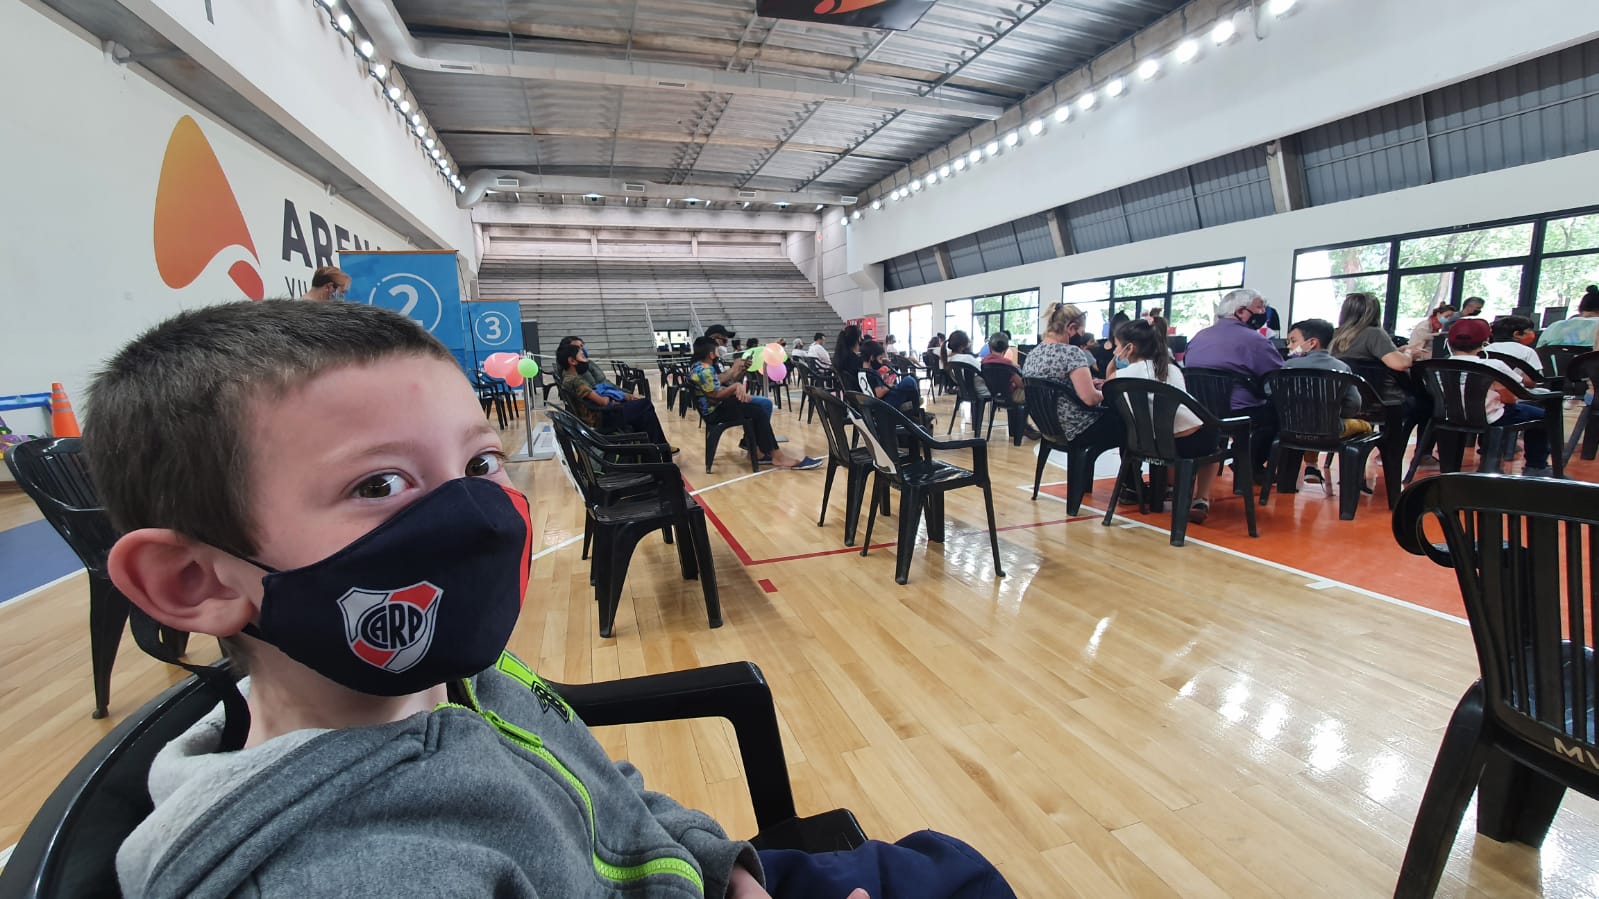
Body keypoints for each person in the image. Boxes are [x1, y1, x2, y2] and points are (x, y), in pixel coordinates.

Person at [89, 300, 1006, 898]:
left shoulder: (461, 672)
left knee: (953, 867)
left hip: (686, 875)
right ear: (195, 582)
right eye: (379, 484)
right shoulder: (351, 875)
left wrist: (722, 866)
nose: (474, 514)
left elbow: (610, 797)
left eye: (479, 463)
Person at [1105, 315, 1218, 522]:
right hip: (1186, 443)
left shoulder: (1120, 378)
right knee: (1212, 441)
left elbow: (1107, 386)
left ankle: (1171, 488)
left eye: (1117, 346)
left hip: (1142, 444)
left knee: (1169, 439)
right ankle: (1201, 499)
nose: (1115, 351)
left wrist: (1111, 366)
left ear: (1129, 348)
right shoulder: (1171, 369)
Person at [1181, 288, 1284, 474]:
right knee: (1279, 413)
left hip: (1200, 410)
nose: (1264, 313)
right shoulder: (1255, 340)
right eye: (1260, 308)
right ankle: (1251, 465)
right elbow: (1278, 375)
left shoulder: (1199, 337)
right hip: (1239, 412)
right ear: (1241, 311)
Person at [1329, 292, 1434, 465]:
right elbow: (1400, 364)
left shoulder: (1334, 335)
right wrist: (1409, 353)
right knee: (1427, 405)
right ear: (1374, 312)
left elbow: (1363, 359)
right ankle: (1409, 454)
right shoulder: (1374, 334)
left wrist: (1398, 351)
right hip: (1379, 403)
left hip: (1345, 401)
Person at [688, 336, 819, 470]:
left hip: (717, 407)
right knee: (758, 412)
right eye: (716, 350)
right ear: (711, 354)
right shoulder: (705, 370)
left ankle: (759, 450)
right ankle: (776, 456)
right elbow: (714, 397)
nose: (718, 352)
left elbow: (716, 384)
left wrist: (737, 376)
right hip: (715, 411)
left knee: (757, 409)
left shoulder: (698, 367)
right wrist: (735, 386)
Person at [1447, 317, 1552, 477]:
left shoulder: (1437, 365)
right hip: (1491, 417)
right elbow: (1511, 398)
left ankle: (1484, 457)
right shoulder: (1494, 365)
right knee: (1541, 415)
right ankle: (1536, 466)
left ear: (1449, 342)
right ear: (1484, 341)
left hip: (1450, 417)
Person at [1282, 318, 1373, 487]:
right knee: (1366, 426)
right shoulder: (1341, 368)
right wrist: (1338, 413)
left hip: (1290, 428)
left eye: (1293, 341)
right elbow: (1354, 404)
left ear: (1312, 343)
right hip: (1331, 428)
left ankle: (1311, 466)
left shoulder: (1288, 366)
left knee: (1312, 421)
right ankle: (1355, 480)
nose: (1289, 346)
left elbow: (1270, 392)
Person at [1022, 303, 1120, 455]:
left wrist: (1087, 384)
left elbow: (1056, 384)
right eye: (1082, 332)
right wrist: (1108, 391)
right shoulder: (1071, 352)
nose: (1082, 336)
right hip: (1077, 428)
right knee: (1127, 425)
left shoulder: (1033, 354)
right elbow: (1090, 399)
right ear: (1071, 328)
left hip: (1047, 427)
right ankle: (1131, 471)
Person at [556, 343, 675, 452]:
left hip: (601, 413)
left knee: (644, 414)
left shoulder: (568, 379)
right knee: (645, 404)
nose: (586, 360)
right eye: (583, 357)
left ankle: (654, 448)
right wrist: (609, 397)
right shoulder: (575, 381)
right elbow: (602, 401)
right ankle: (660, 447)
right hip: (603, 418)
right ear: (572, 361)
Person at [944, 330, 990, 402]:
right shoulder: (967, 358)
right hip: (980, 390)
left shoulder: (949, 359)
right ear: (963, 345)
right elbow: (984, 373)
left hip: (963, 391)